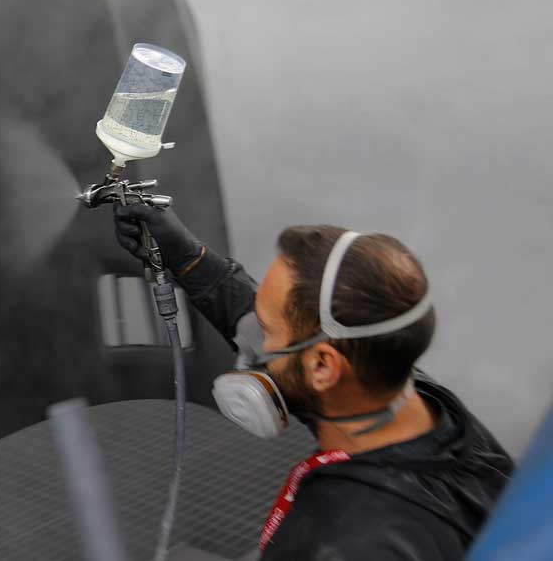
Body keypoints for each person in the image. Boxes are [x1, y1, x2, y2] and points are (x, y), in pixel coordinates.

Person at [114, 204, 513, 560]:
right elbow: (276, 337)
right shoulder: (430, 413)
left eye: (268, 331)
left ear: (323, 366)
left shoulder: (342, 539)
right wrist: (191, 260)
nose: (251, 352)